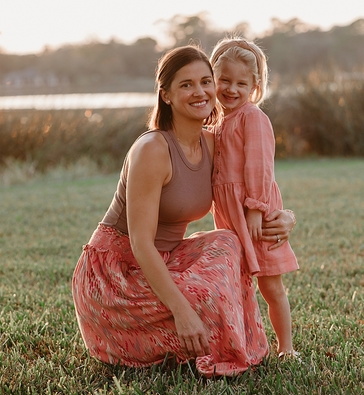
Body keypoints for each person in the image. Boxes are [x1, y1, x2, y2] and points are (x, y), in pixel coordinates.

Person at [72, 45, 295, 377]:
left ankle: (210, 333)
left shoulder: (212, 142)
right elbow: (141, 244)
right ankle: (168, 330)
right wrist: (182, 311)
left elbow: (253, 177)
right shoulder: (152, 150)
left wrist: (286, 216)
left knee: (227, 244)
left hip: (166, 259)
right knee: (202, 298)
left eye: (206, 81)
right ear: (166, 95)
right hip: (117, 277)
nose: (201, 91)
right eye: (187, 84)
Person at [209, 37, 299, 359]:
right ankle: (246, 341)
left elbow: (259, 166)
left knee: (271, 286)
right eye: (225, 80)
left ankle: (286, 348)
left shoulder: (252, 117)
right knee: (241, 285)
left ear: (255, 86)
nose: (231, 89)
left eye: (241, 83)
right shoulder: (217, 122)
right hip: (230, 215)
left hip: (255, 213)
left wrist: (256, 209)